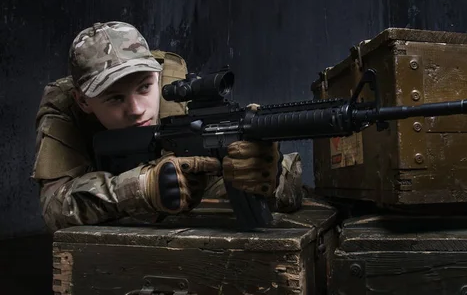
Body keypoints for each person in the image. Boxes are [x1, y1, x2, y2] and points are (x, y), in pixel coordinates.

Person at [31, 21, 303, 232]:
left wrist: (271, 175)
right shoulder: (64, 105)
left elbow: (236, 179)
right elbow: (54, 208)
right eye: (115, 98)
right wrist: (140, 187)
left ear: (157, 74)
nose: (137, 110)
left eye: (145, 87)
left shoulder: (176, 88)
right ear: (83, 100)